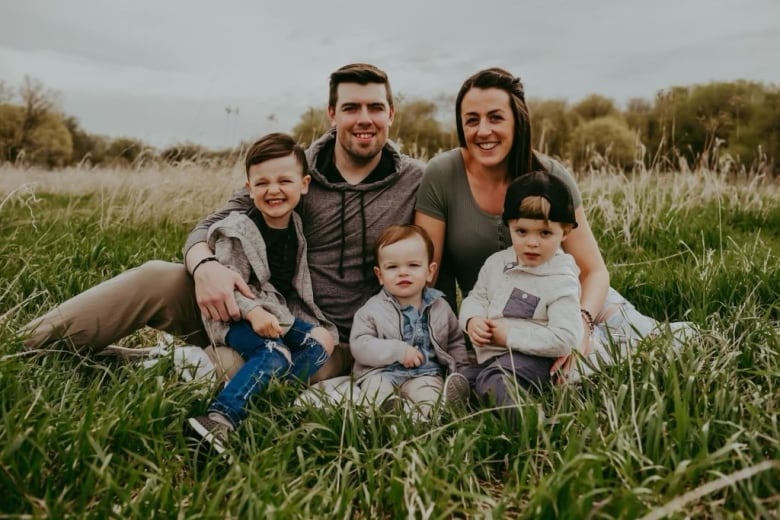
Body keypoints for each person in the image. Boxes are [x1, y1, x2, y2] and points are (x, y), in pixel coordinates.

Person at [21, 63, 423, 385]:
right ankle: (25, 347)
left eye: (375, 107)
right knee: (156, 276)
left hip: (332, 340)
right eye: (351, 107)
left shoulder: (416, 180)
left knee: (236, 369)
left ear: (391, 114)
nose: (364, 119)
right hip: (256, 309)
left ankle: (144, 366)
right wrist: (206, 267)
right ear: (332, 114)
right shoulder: (292, 172)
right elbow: (209, 225)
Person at [414, 67, 694, 383]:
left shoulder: (551, 175)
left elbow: (595, 272)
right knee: (550, 376)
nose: (483, 131)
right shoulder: (442, 174)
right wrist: (447, 343)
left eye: (495, 117)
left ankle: (640, 332)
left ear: (517, 121)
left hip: (570, 303)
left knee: (660, 345)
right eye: (472, 120)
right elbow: (430, 275)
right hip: (504, 320)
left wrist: (583, 325)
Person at [186, 133, 337, 454]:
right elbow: (229, 285)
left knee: (321, 342)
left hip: (272, 312)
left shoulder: (295, 224)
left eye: (285, 180)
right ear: (248, 187)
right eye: (262, 183)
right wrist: (254, 313)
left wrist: (303, 321)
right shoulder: (237, 231)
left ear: (304, 184)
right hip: (233, 315)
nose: (274, 190)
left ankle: (263, 402)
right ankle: (220, 418)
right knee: (274, 352)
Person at [459, 170, 583, 407]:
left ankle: (531, 426)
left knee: (496, 379)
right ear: (509, 226)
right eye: (521, 231)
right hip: (492, 356)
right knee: (463, 373)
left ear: (565, 231)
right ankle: (467, 393)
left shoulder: (560, 277)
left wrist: (507, 336)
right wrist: (472, 319)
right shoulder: (496, 263)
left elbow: (566, 338)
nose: (532, 242)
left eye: (545, 233)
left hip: (535, 359)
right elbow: (477, 297)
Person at [349, 225, 470, 420]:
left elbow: (455, 340)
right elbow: (360, 346)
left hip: (426, 373)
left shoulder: (441, 307)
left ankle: (430, 416)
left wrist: (462, 370)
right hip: (381, 372)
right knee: (376, 389)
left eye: (413, 265)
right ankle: (384, 413)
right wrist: (397, 351)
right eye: (392, 267)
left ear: (430, 271)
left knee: (429, 393)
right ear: (380, 275)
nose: (403, 273)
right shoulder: (371, 310)